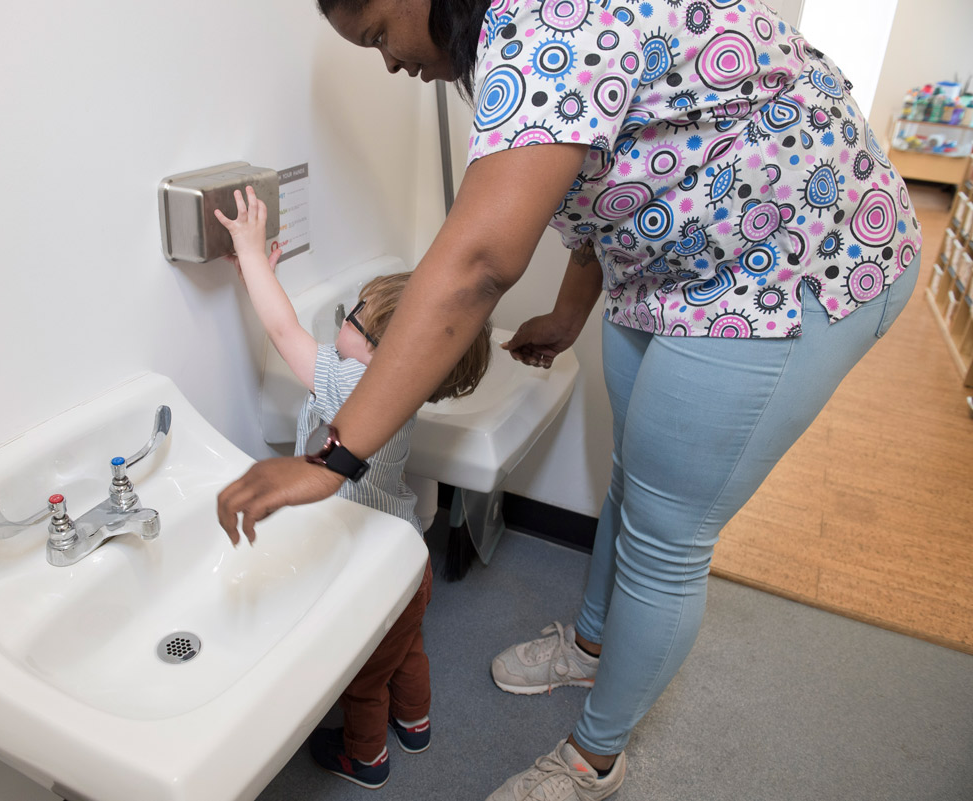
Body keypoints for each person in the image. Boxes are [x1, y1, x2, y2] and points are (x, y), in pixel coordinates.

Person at [217, 1, 921, 798]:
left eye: (380, 33)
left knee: (666, 537)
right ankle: (591, 648)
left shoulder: (547, 17)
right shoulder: (508, 40)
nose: (388, 62)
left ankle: (594, 762)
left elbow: (478, 260)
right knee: (632, 478)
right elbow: (615, 157)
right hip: (671, 272)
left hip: (793, 261)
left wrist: (333, 457)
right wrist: (570, 310)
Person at [215, 187, 492, 789]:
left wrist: (251, 255)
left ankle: (364, 758)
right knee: (408, 650)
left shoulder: (349, 383)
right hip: (404, 555)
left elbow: (284, 330)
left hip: (362, 564)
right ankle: (415, 723)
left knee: (366, 680)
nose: (340, 322)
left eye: (350, 318)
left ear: (377, 351)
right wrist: (264, 271)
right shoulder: (404, 390)